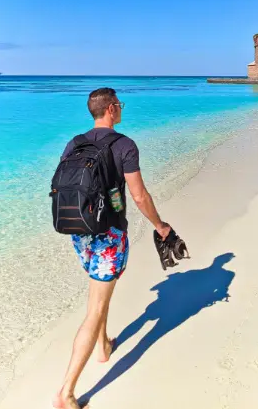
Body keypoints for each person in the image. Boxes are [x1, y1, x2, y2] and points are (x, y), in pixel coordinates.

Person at [53, 88, 172, 409]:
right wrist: (161, 226)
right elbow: (139, 196)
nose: (121, 109)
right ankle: (66, 392)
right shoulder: (124, 145)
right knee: (94, 308)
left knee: (99, 291)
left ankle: (103, 346)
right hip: (109, 233)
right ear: (110, 109)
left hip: (79, 231)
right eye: (118, 104)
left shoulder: (75, 142)